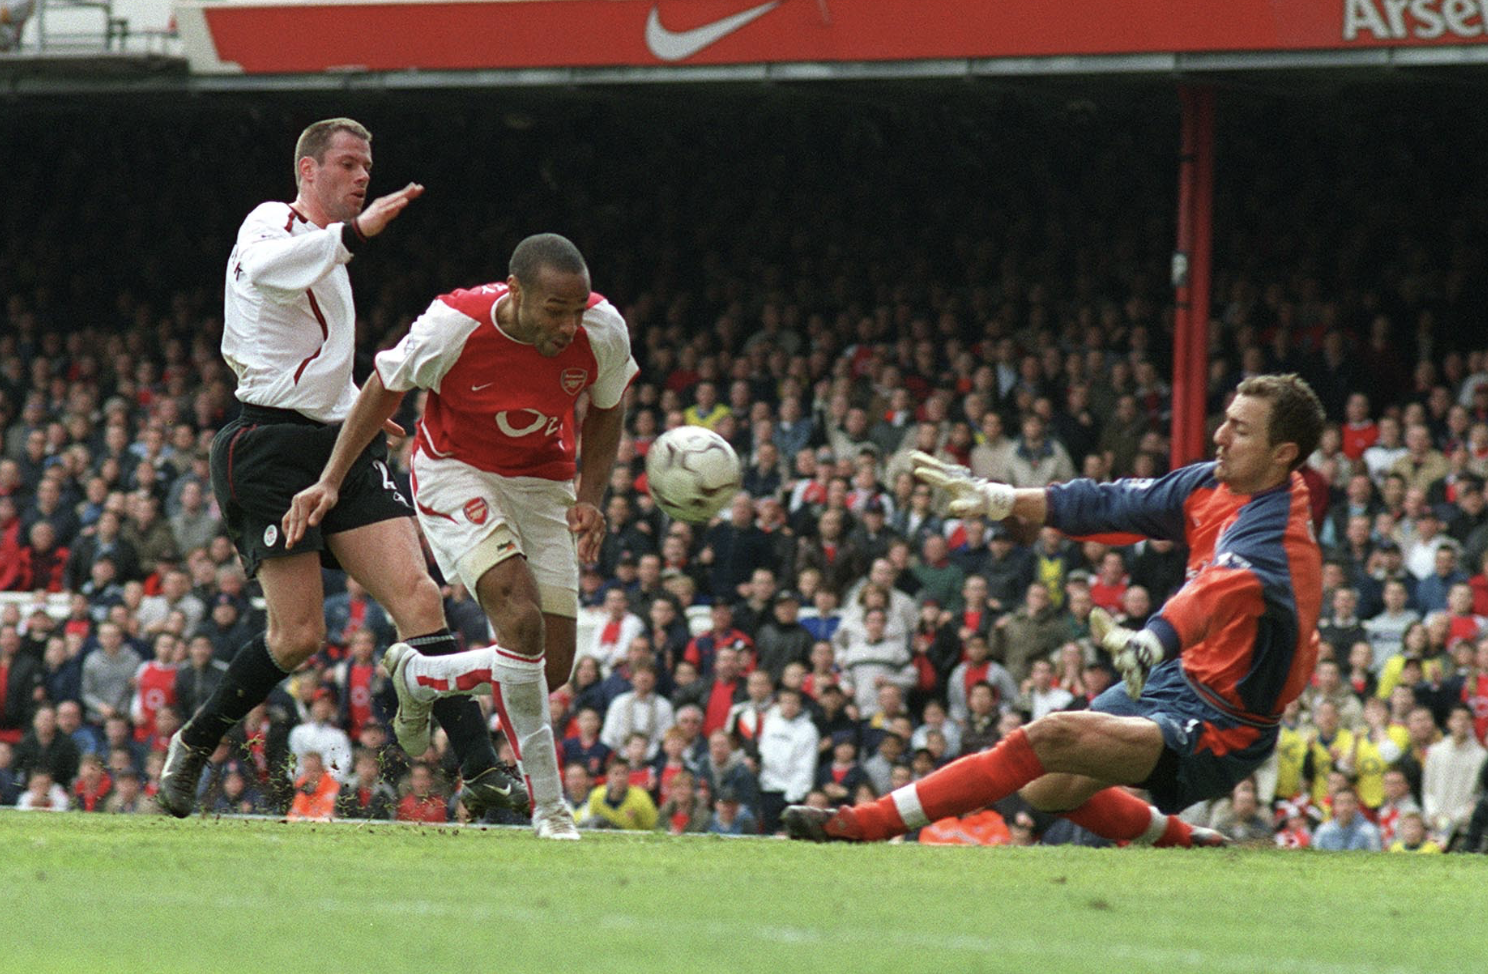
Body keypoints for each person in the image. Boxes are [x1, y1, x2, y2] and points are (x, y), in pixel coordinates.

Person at [159, 118, 523, 823]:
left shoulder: (326, 256)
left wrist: (359, 407)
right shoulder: (272, 223)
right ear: (307, 171)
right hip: (264, 447)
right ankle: (195, 743)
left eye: (368, 166)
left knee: (420, 598)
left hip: (338, 446)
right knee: (298, 639)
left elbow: (309, 351)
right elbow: (272, 273)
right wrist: (356, 235)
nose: (362, 177)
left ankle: (482, 772)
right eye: (349, 164)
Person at [785, 374, 1325, 849]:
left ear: (1283, 453)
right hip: (1174, 677)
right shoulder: (1211, 484)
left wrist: (1153, 639)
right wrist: (1002, 499)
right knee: (1044, 787)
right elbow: (1107, 502)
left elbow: (1217, 591)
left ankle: (862, 824)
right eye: (1226, 421)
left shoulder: (1281, 539)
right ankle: (1185, 839)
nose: (1220, 437)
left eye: (1241, 430)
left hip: (1223, 722)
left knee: (1047, 738)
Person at [283, 232, 636, 841]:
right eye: (555, 311)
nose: (568, 325)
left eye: (576, 311)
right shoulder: (454, 325)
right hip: (456, 471)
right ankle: (550, 812)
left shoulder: (603, 330)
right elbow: (383, 385)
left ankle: (422, 677)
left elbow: (608, 406)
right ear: (517, 291)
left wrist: (590, 497)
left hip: (543, 482)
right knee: (519, 620)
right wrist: (331, 480)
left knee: (548, 668)